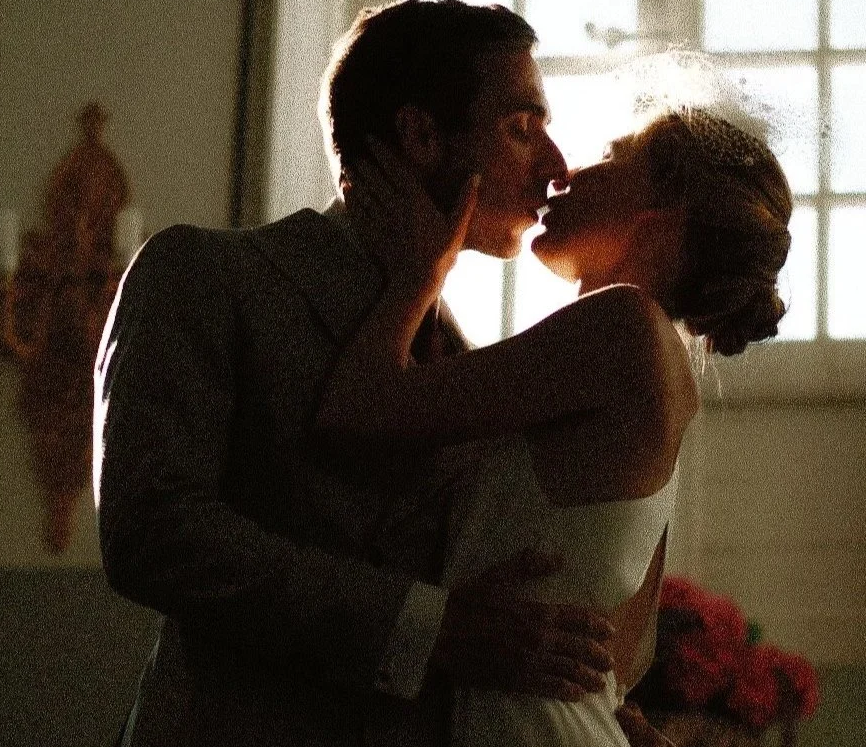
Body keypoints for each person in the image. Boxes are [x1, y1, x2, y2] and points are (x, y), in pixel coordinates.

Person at [93, 0, 620, 747]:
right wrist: (426, 627)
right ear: (419, 134)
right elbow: (153, 532)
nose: (556, 166)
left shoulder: (471, 367)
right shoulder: (203, 275)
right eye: (521, 126)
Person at [318, 85, 794, 746]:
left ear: (658, 221)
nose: (566, 173)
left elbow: (356, 408)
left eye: (609, 157)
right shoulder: (658, 372)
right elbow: (625, 655)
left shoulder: (621, 327)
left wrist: (422, 270)